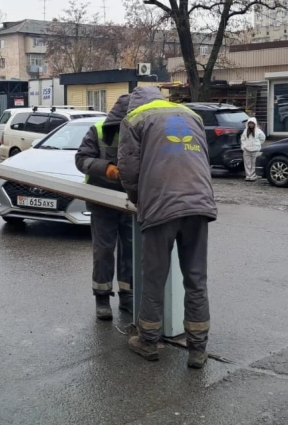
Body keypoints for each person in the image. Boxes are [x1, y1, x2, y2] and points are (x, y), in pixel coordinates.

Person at [117, 86, 217, 369]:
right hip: (199, 202)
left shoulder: (134, 119)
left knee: (154, 276)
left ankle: (148, 341)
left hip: (161, 205)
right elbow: (202, 158)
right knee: (196, 277)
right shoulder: (191, 115)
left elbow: (128, 169)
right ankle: (198, 348)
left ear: (134, 104)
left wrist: (137, 199)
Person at [75, 95, 134, 321]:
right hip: (102, 201)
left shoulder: (140, 130)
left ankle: (128, 296)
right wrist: (105, 168)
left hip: (131, 202)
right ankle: (102, 297)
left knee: (131, 251)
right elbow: (81, 159)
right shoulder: (98, 130)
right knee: (103, 251)